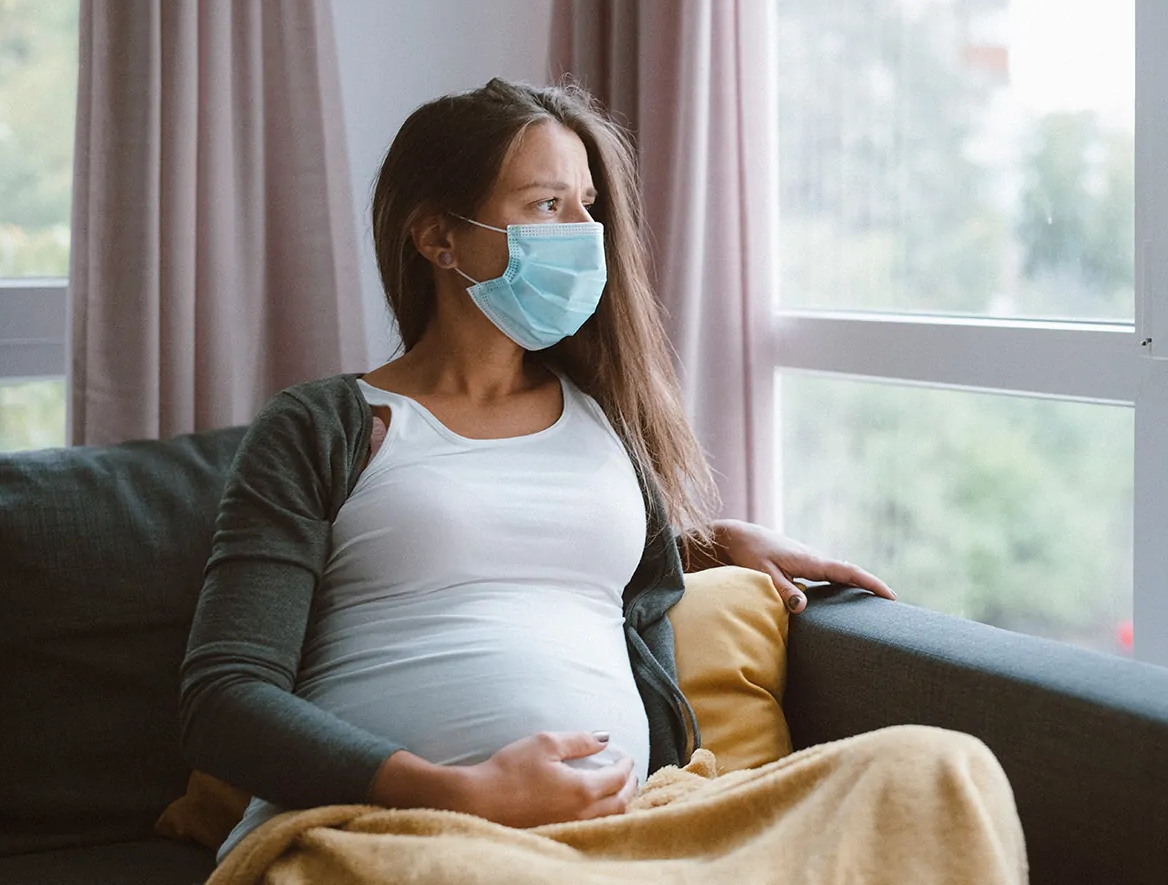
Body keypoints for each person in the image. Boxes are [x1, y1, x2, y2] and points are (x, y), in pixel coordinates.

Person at [181, 80, 1018, 876]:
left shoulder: (607, 421)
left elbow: (569, 559)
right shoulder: (327, 426)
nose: (585, 232)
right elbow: (223, 698)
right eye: (547, 205)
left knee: (938, 769)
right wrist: (457, 791)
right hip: (399, 832)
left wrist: (712, 541)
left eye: (588, 205)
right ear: (439, 238)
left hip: (632, 824)